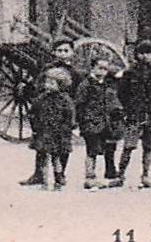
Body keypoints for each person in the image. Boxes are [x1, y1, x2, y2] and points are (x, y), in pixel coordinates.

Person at [19, 38, 79, 186]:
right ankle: (38, 174)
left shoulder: (76, 73)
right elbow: (38, 86)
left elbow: (78, 93)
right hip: (47, 111)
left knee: (63, 147)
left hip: (63, 113)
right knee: (41, 146)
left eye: (66, 50)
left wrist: (74, 115)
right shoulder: (47, 69)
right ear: (53, 52)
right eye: (59, 50)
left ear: (72, 52)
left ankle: (60, 173)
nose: (62, 54)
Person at [117, 40, 151, 189]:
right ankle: (121, 175)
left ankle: (145, 175)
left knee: (148, 147)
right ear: (137, 55)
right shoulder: (130, 73)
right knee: (129, 146)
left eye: (149, 53)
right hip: (134, 116)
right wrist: (129, 109)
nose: (145, 56)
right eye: (142, 53)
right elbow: (122, 93)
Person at [75, 56, 125, 189]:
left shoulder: (106, 84)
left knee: (107, 145)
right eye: (100, 68)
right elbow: (79, 104)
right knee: (92, 150)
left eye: (105, 69)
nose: (103, 71)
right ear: (93, 68)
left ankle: (109, 172)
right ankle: (89, 176)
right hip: (90, 122)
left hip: (104, 121)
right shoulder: (86, 85)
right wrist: (81, 121)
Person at [28, 67, 76, 191]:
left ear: (60, 85)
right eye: (47, 82)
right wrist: (35, 126)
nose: (47, 85)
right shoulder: (42, 98)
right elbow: (33, 111)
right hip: (44, 132)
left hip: (58, 132)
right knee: (43, 156)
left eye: (51, 83)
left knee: (56, 157)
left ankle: (58, 177)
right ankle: (44, 179)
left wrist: (68, 127)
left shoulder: (65, 100)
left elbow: (70, 115)